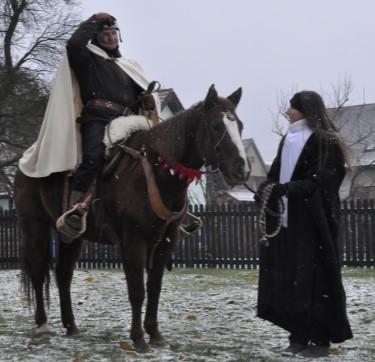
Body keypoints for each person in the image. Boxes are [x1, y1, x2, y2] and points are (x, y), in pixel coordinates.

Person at [256, 90, 352, 357]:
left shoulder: (325, 140)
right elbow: (276, 173)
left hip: (314, 223)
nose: (288, 112)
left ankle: (320, 341)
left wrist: (288, 189)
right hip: (288, 222)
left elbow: (324, 179)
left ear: (305, 109)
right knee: (291, 280)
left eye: (292, 108)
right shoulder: (288, 138)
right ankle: (297, 335)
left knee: (314, 281)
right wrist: (266, 189)